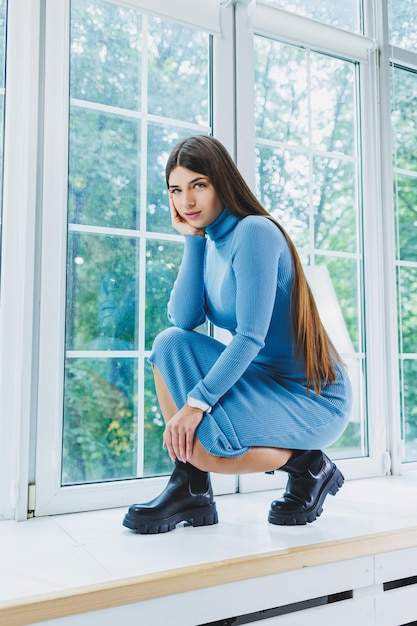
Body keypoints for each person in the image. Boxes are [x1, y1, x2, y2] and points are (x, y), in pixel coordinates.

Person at [123, 135, 352, 534]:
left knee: (208, 450)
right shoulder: (210, 242)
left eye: (199, 185)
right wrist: (192, 243)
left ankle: (308, 464)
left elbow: (249, 337)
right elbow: (183, 318)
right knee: (168, 344)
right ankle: (190, 489)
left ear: (221, 183)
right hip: (262, 382)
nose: (186, 201)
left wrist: (196, 405)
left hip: (313, 396)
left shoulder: (255, 232)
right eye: (176, 190)